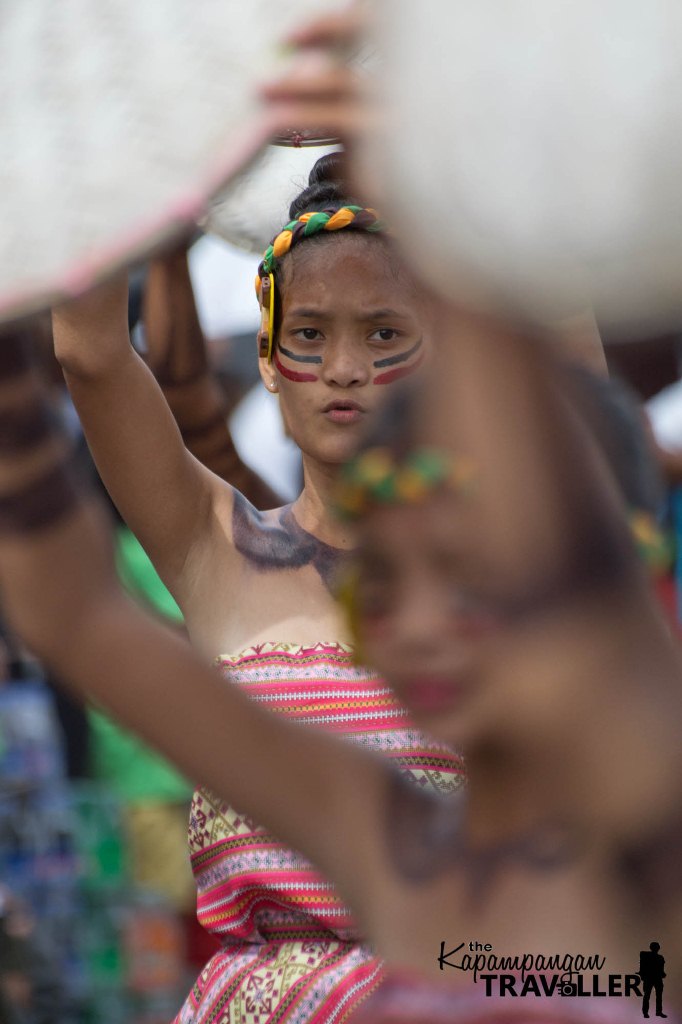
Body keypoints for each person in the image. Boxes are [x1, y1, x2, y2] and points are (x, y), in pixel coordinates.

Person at [1, 314, 681, 1015]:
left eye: (465, 576)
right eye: (379, 586)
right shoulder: (382, 838)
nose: (416, 628)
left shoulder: (650, 867)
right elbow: (74, 614)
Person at [50, 158, 464, 1023]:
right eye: (309, 335)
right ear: (270, 361)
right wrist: (182, 131)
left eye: (385, 334)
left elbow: (576, 353)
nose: (344, 368)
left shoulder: (511, 570)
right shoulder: (220, 549)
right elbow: (89, 350)